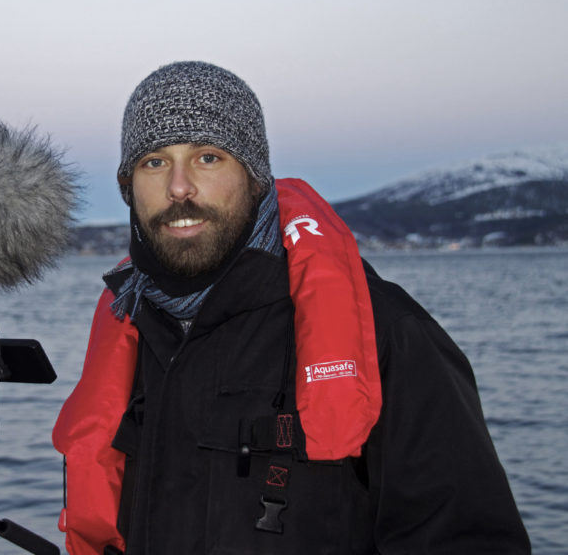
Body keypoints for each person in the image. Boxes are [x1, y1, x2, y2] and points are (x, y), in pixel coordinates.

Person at [52, 61, 530, 554]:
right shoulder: (137, 325)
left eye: (208, 157)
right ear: (128, 187)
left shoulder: (387, 334)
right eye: (155, 162)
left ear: (256, 179)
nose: (179, 187)